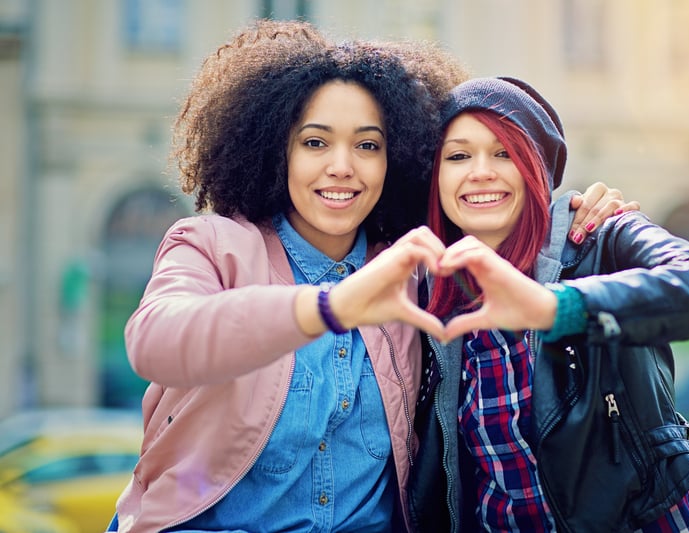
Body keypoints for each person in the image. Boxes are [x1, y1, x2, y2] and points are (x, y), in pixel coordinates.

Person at [107, 20, 634, 533]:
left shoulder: (417, 273)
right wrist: (329, 306)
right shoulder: (211, 245)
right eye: (315, 143)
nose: (342, 166)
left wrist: (579, 216)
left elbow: (496, 212)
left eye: (367, 145)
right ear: (276, 151)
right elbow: (155, 341)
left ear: (397, 159)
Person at [408, 77, 689, 532]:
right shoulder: (429, 296)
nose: (481, 171)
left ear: (536, 169)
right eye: (459, 155)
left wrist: (557, 308)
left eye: (505, 152)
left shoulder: (600, 240)